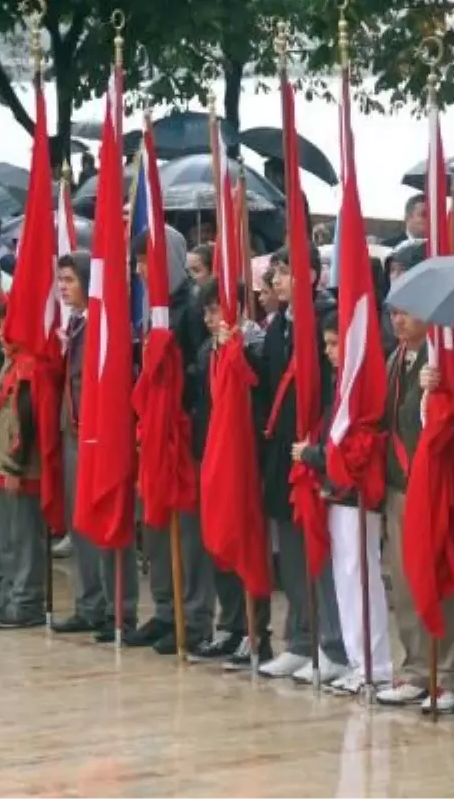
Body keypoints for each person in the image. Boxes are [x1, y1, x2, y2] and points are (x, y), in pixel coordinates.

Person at [245, 244, 347, 682]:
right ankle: (300, 639)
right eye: (275, 272)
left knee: (315, 552)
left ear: (311, 276)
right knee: (289, 551)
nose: (278, 280)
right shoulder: (277, 327)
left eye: (286, 272)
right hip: (280, 450)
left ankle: (329, 643)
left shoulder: (323, 319)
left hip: (311, 448)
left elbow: (329, 390)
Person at [375, 307, 454, 713]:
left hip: (433, 485)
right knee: (404, 577)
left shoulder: (448, 361)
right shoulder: (394, 359)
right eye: (395, 313)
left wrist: (439, 388)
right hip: (399, 485)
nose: (399, 321)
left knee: (441, 574)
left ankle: (448, 673)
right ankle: (416, 667)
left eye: (409, 314)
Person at [125, 226, 215, 655]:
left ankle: (194, 616)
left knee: (189, 531)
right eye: (138, 262)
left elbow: (204, 370)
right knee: (157, 525)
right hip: (157, 434)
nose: (142, 270)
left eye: (147, 260)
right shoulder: (149, 309)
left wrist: (173, 381)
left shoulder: (192, 308)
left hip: (186, 432)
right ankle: (165, 608)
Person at [293, 310, 392, 693]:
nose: (329, 352)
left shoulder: (362, 385)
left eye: (335, 344)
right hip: (336, 491)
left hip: (357, 492)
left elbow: (354, 444)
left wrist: (313, 454)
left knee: (359, 574)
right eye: (326, 344)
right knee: (344, 576)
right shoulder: (339, 384)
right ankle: (357, 659)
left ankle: (375, 664)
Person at [50, 251, 138, 641]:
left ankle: (119, 607)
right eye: (61, 280)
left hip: (98, 435)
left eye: (70, 280)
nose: (64, 288)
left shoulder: (104, 327)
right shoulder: (75, 325)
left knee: (107, 517)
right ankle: (89, 603)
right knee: (80, 521)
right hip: (73, 432)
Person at [192, 278, 272, 669]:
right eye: (206, 311)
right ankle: (231, 623)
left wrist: (237, 350)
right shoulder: (210, 349)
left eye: (215, 309)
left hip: (248, 456)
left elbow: (260, 385)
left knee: (247, 541)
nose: (209, 318)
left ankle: (257, 629)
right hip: (216, 456)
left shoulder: (255, 344)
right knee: (219, 537)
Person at [0, 346, 45, 629]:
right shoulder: (6, 361)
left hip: (13, 465)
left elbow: (26, 416)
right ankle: (6, 594)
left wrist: (18, 464)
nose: (3, 332)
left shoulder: (28, 364)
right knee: (2, 540)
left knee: (22, 539)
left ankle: (25, 601)